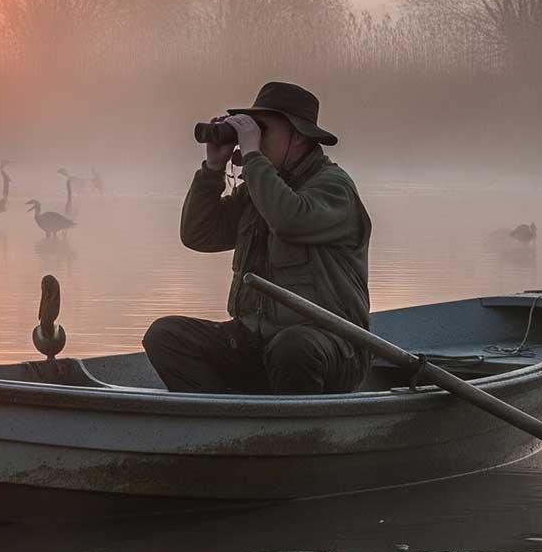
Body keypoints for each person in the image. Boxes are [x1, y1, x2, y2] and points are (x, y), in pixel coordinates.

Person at [142, 82, 371, 395]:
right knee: (165, 335)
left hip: (332, 346)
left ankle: (293, 437)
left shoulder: (333, 188)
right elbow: (199, 235)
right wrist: (213, 168)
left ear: (300, 136)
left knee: (293, 347)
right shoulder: (259, 188)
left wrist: (252, 156)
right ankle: (224, 425)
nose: (256, 139)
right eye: (253, 131)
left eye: (263, 129)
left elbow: (289, 219)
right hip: (256, 345)